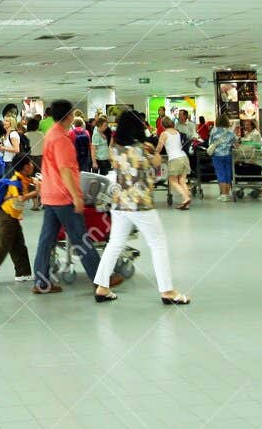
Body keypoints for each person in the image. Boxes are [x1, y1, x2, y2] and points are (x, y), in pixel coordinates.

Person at [94, 110, 190, 305]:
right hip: (140, 204)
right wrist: (151, 147)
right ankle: (167, 291)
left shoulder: (115, 148)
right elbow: (156, 163)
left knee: (114, 244)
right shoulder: (142, 149)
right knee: (158, 243)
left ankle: (102, 287)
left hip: (119, 202)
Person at [31, 100, 118, 295]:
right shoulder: (61, 139)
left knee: (47, 240)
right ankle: (101, 279)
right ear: (69, 115)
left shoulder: (51, 134)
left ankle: (41, 282)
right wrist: (76, 197)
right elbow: (65, 170)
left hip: (49, 194)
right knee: (81, 238)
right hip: (63, 197)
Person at [0, 153, 37, 285]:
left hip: (13, 216)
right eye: (30, 163)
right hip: (7, 216)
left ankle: (23, 273)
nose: (32, 165)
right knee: (3, 245)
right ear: (25, 167)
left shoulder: (24, 178)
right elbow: (18, 200)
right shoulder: (16, 181)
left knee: (19, 245)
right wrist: (37, 192)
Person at [158, 112, 192, 210]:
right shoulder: (177, 132)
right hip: (184, 157)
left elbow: (159, 147)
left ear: (162, 125)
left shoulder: (164, 133)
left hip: (174, 159)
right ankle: (187, 201)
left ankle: (185, 198)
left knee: (172, 180)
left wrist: (154, 153)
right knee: (182, 181)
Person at [206, 115, 237, 202]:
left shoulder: (214, 130)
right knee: (228, 174)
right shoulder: (230, 131)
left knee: (221, 174)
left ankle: (224, 195)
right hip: (228, 155)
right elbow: (235, 142)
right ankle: (227, 193)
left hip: (217, 156)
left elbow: (210, 143)